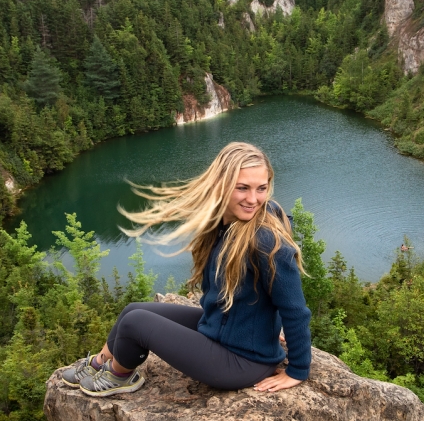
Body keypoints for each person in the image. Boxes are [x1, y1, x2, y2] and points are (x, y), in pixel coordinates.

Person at [56, 141, 312, 397]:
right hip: (220, 330)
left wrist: (298, 369)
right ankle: (98, 364)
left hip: (242, 361)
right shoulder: (221, 221)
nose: (253, 199)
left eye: (261, 189)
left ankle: (119, 375)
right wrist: (266, 327)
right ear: (221, 185)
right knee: (133, 310)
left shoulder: (266, 241)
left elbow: (294, 308)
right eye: (242, 188)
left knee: (137, 323)